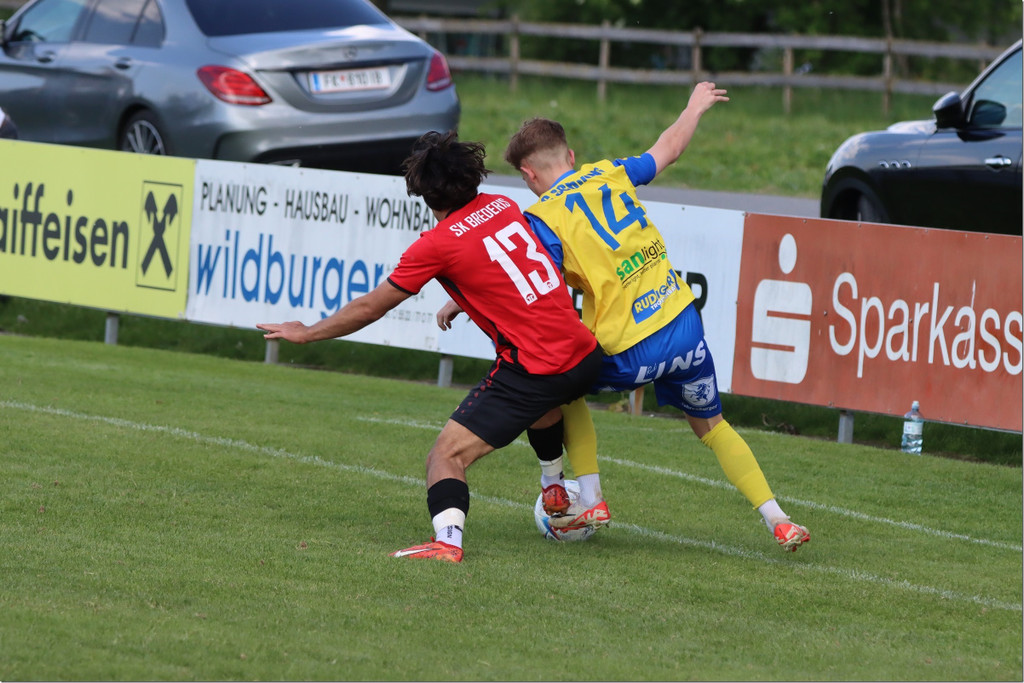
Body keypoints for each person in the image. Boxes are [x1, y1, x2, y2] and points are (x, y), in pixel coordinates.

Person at [258, 130, 603, 563]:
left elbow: (370, 307)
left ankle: (448, 543)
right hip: (583, 353)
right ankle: (553, 484)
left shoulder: (437, 245)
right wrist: (462, 297)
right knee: (544, 401)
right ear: (473, 175)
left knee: (445, 455)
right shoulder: (503, 206)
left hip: (536, 367)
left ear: (423, 193)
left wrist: (306, 332)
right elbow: (504, 269)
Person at [498, 81, 810, 551]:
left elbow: (519, 277)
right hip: (683, 324)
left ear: (528, 174)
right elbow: (668, 149)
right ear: (571, 155)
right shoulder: (610, 172)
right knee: (713, 427)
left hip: (628, 345)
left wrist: (459, 300)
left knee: (559, 386)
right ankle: (778, 518)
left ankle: (590, 497)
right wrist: (693, 107)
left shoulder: (542, 218)